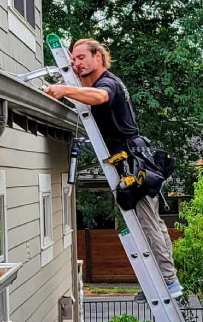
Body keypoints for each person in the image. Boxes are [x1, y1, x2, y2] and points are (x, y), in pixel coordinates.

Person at [43, 38, 183, 302]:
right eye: (72, 59)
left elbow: (99, 97)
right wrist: (68, 84)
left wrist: (63, 89)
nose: (76, 62)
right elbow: (88, 96)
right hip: (130, 159)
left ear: (99, 57)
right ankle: (160, 279)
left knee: (147, 223)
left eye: (81, 57)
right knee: (150, 222)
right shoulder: (93, 83)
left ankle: (168, 281)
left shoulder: (108, 83)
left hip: (133, 162)